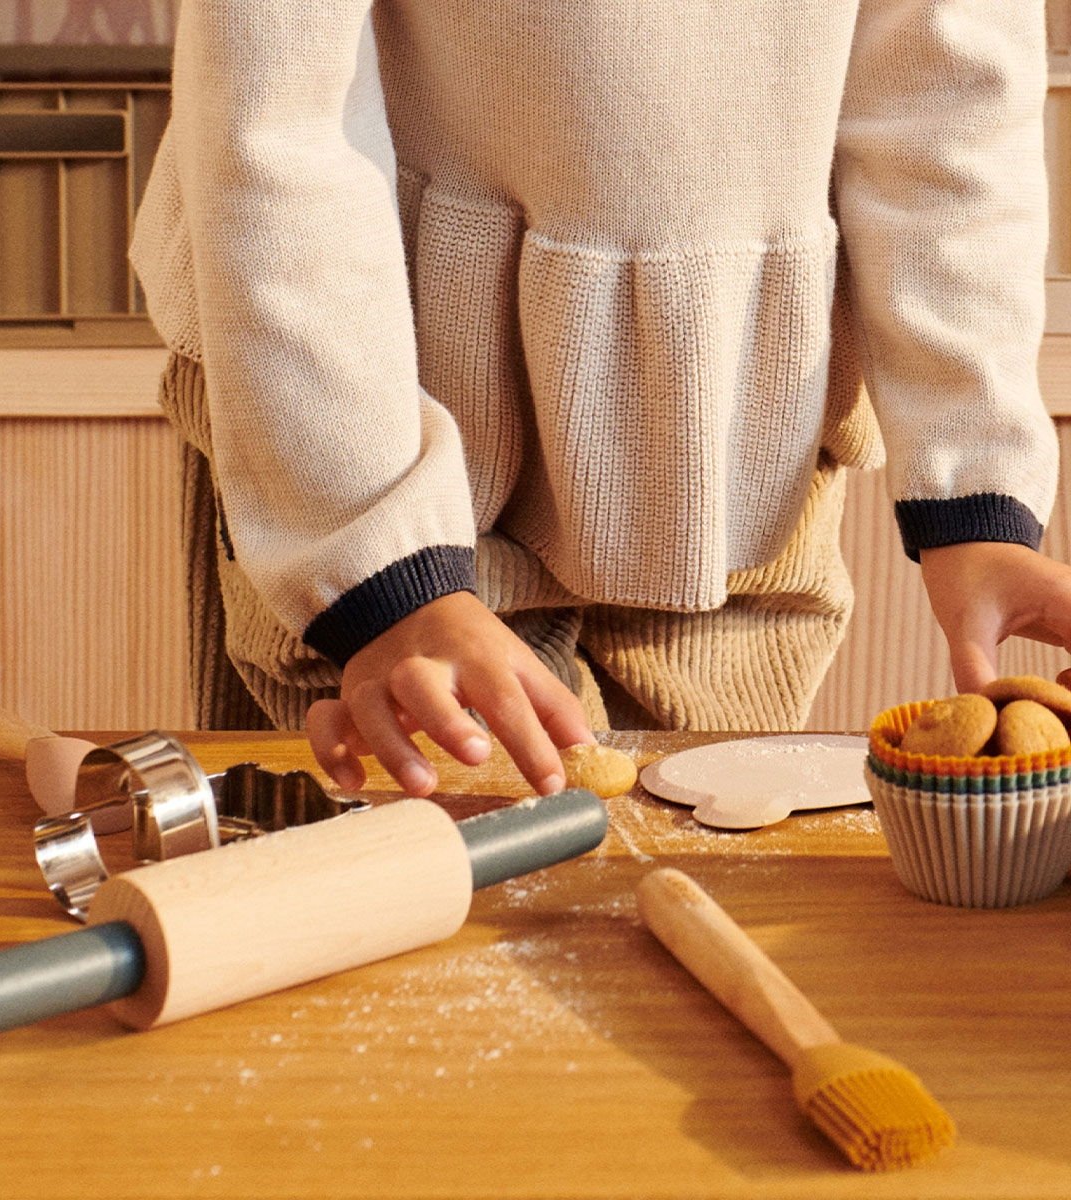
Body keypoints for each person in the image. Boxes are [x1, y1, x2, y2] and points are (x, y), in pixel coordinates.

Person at [131, 2, 1071, 798]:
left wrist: (975, 491)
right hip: (352, 409)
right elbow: (280, 115)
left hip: (734, 444)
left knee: (684, 880)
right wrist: (376, 561)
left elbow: (947, 97)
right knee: (371, 891)